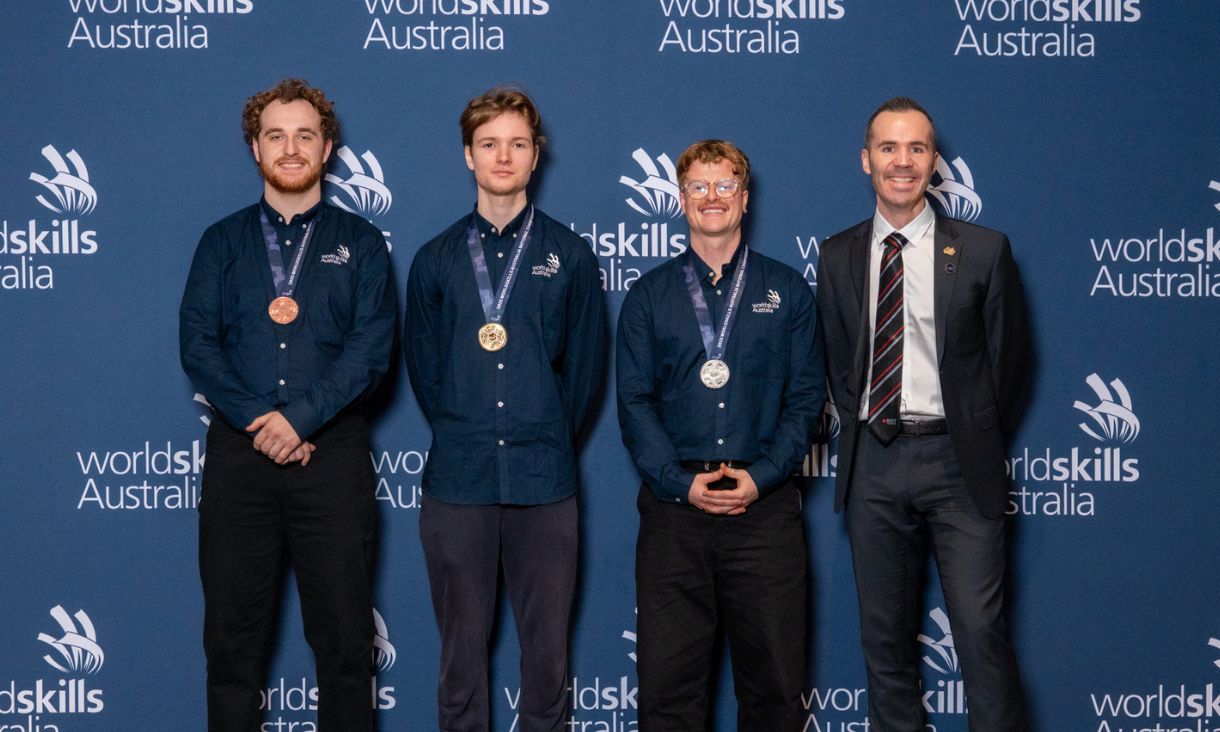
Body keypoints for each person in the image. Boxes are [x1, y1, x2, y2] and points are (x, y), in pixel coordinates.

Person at [179, 78, 395, 731]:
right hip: (238, 466)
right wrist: (260, 421)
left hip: (331, 463)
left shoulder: (363, 243)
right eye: (276, 135)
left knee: (346, 648)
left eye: (305, 135)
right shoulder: (221, 242)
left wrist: (298, 420)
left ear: (327, 148)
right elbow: (198, 344)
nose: (291, 148)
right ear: (256, 147)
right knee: (231, 648)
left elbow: (370, 350)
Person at [816, 96, 1031, 732]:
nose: (902, 161)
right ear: (866, 160)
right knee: (884, 644)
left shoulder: (985, 251)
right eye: (888, 147)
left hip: (960, 464)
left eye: (916, 148)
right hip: (874, 465)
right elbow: (838, 360)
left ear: (934, 161)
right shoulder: (837, 255)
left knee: (980, 635)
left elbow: (1010, 365)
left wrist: (972, 432)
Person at [403, 86, 607, 732]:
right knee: (460, 660)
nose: (503, 156)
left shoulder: (570, 256)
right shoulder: (435, 260)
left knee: (547, 659)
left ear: (535, 156)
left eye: (517, 144)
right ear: (468, 155)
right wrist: (471, 427)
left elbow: (584, 374)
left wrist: (539, 430)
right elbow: (427, 372)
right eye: (489, 144)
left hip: (544, 483)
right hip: (458, 481)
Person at [616, 139, 825, 731]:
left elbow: (806, 400)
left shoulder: (788, 290)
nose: (713, 197)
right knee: (668, 697)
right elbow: (634, 402)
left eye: (725, 184)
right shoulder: (648, 297)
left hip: (764, 513)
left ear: (745, 197)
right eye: (699, 187)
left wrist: (761, 478)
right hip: (674, 515)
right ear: (682, 199)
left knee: (775, 693)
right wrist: (679, 484)